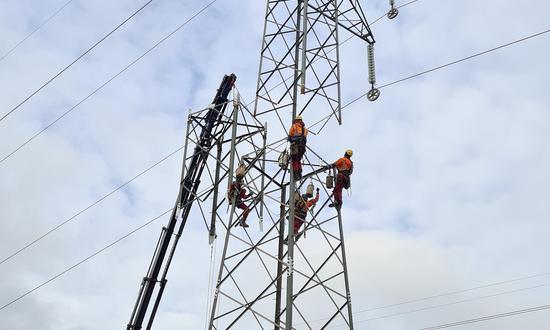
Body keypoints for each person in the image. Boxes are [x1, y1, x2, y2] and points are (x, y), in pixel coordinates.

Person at [288, 115, 308, 180]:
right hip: (302, 146)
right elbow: (305, 136)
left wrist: (290, 138)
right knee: (298, 159)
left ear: (296, 120)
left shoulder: (294, 126)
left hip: (296, 145)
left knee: (294, 159)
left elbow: (290, 135)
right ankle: (300, 172)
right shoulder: (305, 129)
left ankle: (296, 173)